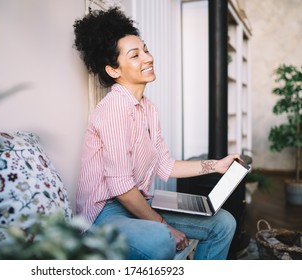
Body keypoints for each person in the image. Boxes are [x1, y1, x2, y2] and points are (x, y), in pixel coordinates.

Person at [73, 7, 238, 260]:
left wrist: (217, 166)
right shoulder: (114, 109)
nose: (148, 58)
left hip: (138, 201)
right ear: (113, 70)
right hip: (105, 213)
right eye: (135, 55)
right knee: (161, 239)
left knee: (223, 223)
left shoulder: (148, 108)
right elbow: (120, 187)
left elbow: (165, 165)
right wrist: (164, 225)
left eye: (146, 50)